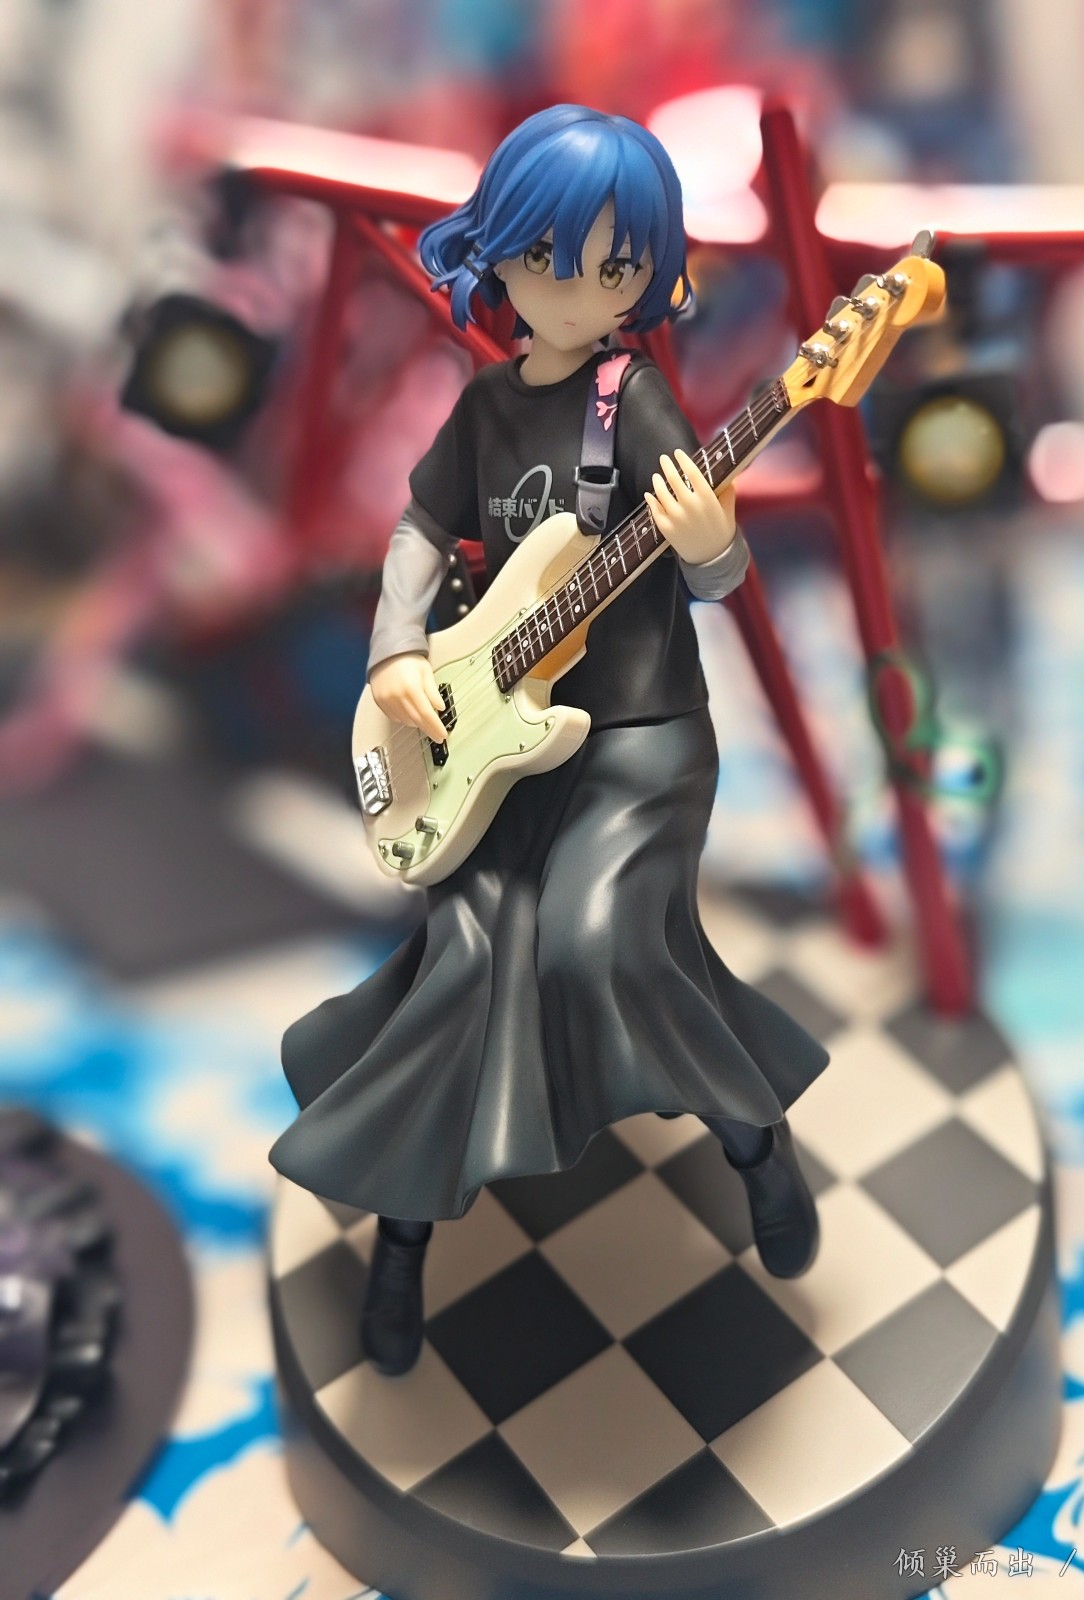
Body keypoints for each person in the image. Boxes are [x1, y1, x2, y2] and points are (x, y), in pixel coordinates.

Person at [269, 104, 829, 1377]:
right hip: (496, 739)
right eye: (552, 258)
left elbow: (715, 576)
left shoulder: (638, 401)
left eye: (617, 266)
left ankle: (753, 1139)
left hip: (638, 741)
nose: (583, 291)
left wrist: (712, 547)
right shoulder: (483, 405)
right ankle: (402, 1238)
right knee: (459, 968)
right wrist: (399, 650)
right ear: (502, 253)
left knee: (594, 943)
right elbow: (420, 530)